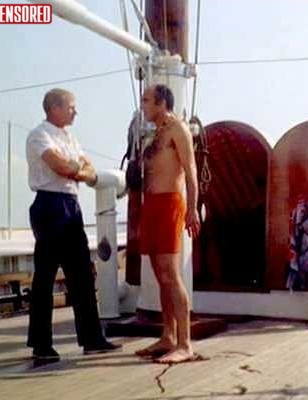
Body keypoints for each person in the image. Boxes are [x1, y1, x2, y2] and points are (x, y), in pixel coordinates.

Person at [26, 88, 121, 360]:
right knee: (45, 276)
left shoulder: (69, 137)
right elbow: (62, 167)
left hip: (71, 205)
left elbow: (88, 170)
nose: (76, 112)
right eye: (71, 107)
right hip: (49, 205)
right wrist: (75, 168)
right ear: (54, 108)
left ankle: (92, 339)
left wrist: (75, 168)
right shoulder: (39, 135)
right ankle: (41, 345)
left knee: (82, 275)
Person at [134, 84, 201, 364]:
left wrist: (192, 208)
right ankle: (168, 336)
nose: (143, 105)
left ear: (162, 103)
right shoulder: (156, 132)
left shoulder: (178, 129)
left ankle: (185, 344)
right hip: (150, 206)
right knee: (160, 275)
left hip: (170, 204)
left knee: (171, 274)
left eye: (147, 100)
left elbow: (191, 170)